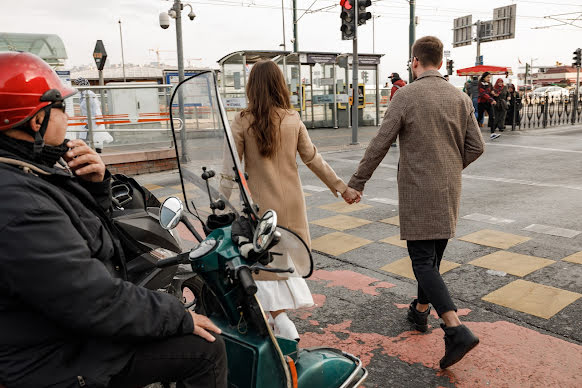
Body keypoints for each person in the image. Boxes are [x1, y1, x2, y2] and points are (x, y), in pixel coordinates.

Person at [0, 52, 227, 388]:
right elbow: (92, 299)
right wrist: (177, 316)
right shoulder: (19, 202)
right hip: (54, 358)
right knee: (205, 348)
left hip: (55, 333)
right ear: (38, 120)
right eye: (62, 107)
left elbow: (82, 236)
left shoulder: (26, 172)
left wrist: (96, 187)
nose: (69, 119)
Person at [343, 36, 484, 369]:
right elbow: (476, 147)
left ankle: (455, 329)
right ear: (440, 60)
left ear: (416, 61)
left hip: (419, 191)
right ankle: (420, 312)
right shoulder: (460, 97)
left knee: (422, 261)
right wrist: (449, 168)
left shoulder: (406, 96)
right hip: (449, 190)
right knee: (432, 259)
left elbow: (380, 144)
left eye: (411, 61)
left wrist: (356, 183)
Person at [230, 60, 356, 341]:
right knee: (284, 263)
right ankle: (281, 322)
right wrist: (341, 188)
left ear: (252, 87)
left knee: (262, 265)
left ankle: (280, 323)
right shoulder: (292, 118)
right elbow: (312, 158)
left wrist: (220, 204)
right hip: (291, 204)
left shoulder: (242, 120)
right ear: (279, 85)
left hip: (260, 207)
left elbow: (229, 168)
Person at [74, 77, 114, 152]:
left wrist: (96, 119)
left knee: (92, 134)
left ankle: (96, 150)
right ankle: (87, 149)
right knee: (86, 134)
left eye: (78, 84)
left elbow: (95, 107)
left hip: (93, 118)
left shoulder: (89, 94)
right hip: (87, 118)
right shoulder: (81, 94)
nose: (77, 86)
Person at [478, 72, 499, 139]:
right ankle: (473, 131)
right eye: (488, 77)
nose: (489, 78)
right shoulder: (480, 84)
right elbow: (483, 94)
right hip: (481, 103)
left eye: (490, 77)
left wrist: (495, 93)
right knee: (480, 117)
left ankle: (492, 133)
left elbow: (493, 90)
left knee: (492, 116)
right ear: (484, 77)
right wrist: (491, 99)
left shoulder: (490, 84)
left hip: (488, 103)